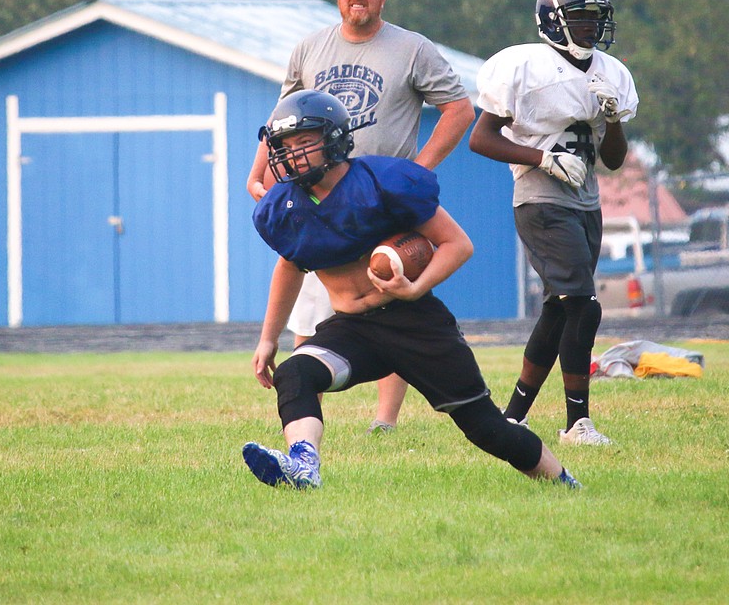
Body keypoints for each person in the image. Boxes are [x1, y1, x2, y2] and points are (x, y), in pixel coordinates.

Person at [241, 89, 579, 490]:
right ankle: (303, 463)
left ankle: (562, 481)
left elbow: (457, 244)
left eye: (303, 142)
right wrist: (267, 339)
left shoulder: (383, 182)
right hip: (351, 327)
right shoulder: (285, 207)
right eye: (286, 146)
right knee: (295, 372)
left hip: (415, 321)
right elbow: (289, 264)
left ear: (333, 139)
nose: (292, 154)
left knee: (485, 427)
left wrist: (415, 286)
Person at [246, 0, 474, 434]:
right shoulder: (310, 47)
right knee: (310, 307)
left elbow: (458, 109)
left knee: (390, 291)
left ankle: (384, 420)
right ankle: (306, 408)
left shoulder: (412, 48)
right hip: (318, 195)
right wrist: (261, 173)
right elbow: (282, 118)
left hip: (382, 200)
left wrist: (417, 168)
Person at [469, 0, 637, 446]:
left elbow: (615, 159)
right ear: (554, 21)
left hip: (587, 200)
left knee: (560, 310)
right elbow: (480, 138)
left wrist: (611, 119)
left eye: (596, 19)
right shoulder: (524, 66)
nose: (590, 28)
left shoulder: (610, 71)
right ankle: (576, 423)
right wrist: (542, 158)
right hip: (540, 198)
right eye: (581, 18)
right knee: (583, 305)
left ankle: (512, 417)